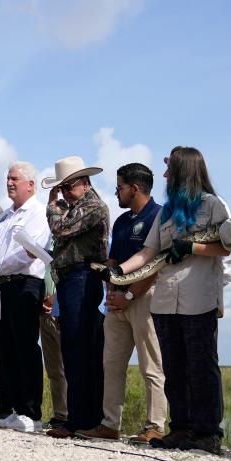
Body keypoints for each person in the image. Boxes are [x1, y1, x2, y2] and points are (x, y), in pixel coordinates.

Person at [105, 147, 231, 455]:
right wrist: (118, 271)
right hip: (165, 299)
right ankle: (182, 428)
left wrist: (192, 248)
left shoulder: (213, 205)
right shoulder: (167, 212)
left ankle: (207, 433)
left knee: (201, 366)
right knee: (174, 367)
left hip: (198, 296)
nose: (164, 176)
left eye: (169, 170)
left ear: (184, 171)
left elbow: (227, 246)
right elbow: (147, 253)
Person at [85, 163, 166, 443]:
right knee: (112, 364)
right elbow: (113, 261)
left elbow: (156, 264)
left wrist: (129, 294)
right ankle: (110, 424)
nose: (116, 192)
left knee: (151, 365)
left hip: (145, 298)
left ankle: (155, 425)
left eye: (119, 187)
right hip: (116, 303)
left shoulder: (160, 216)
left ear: (135, 188)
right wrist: (110, 291)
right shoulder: (121, 221)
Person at [0, 162, 51, 432]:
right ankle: (7, 408)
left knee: (25, 348)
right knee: (3, 348)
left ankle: (30, 413)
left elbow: (28, 252)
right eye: (7, 178)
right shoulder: (6, 215)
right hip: (1, 287)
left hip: (25, 284)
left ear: (30, 184)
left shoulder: (38, 213)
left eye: (15, 179)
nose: (9, 183)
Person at [41, 156, 109, 439]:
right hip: (70, 279)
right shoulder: (75, 208)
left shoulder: (94, 206)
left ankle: (83, 418)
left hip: (83, 276)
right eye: (62, 188)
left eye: (68, 187)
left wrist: (52, 204)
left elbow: (60, 229)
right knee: (73, 349)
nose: (65, 192)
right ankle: (79, 417)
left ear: (85, 184)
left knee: (81, 349)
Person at [39, 278, 69, 429]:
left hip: (62, 313)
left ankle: (76, 414)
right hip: (43, 315)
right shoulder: (39, 255)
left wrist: (54, 298)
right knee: (54, 369)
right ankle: (60, 414)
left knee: (70, 366)